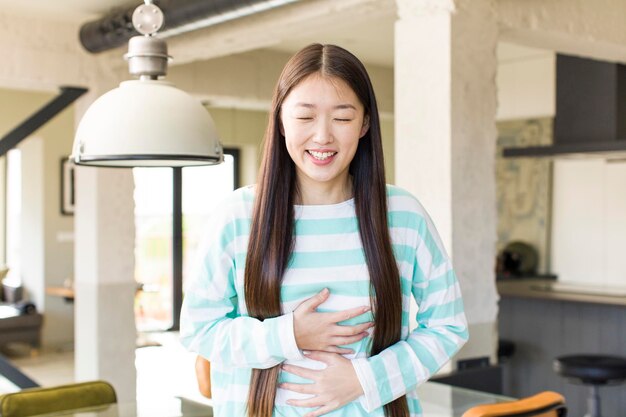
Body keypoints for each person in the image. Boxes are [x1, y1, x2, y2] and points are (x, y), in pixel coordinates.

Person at [180, 43, 468, 417]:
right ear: (281, 120)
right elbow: (200, 329)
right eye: (305, 117)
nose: (322, 136)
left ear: (365, 123)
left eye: (342, 118)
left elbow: (448, 325)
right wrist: (291, 335)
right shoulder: (239, 216)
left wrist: (365, 379)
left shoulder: (402, 214)